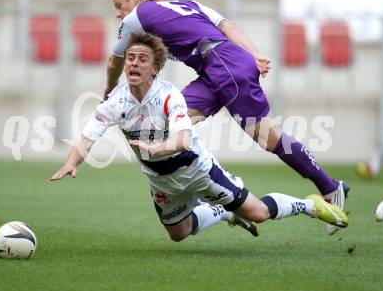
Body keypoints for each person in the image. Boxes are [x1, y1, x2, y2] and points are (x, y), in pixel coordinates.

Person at [105, 0, 349, 235]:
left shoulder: (135, 17)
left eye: (118, 5)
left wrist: (107, 90)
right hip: (218, 66)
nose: (118, 12)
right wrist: (253, 53)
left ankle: (331, 187)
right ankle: (212, 202)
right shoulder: (186, 4)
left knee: (270, 139)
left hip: (224, 66)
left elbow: (114, 61)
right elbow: (227, 25)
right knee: (169, 123)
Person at [51, 32, 348, 243]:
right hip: (161, 182)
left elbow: (181, 140)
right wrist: (71, 161)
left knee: (257, 213)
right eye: (130, 58)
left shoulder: (169, 98)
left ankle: (310, 205)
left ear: (155, 68)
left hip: (199, 171)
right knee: (178, 234)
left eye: (142, 59)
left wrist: (156, 148)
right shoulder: (116, 101)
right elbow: (89, 135)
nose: (133, 64)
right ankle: (220, 212)